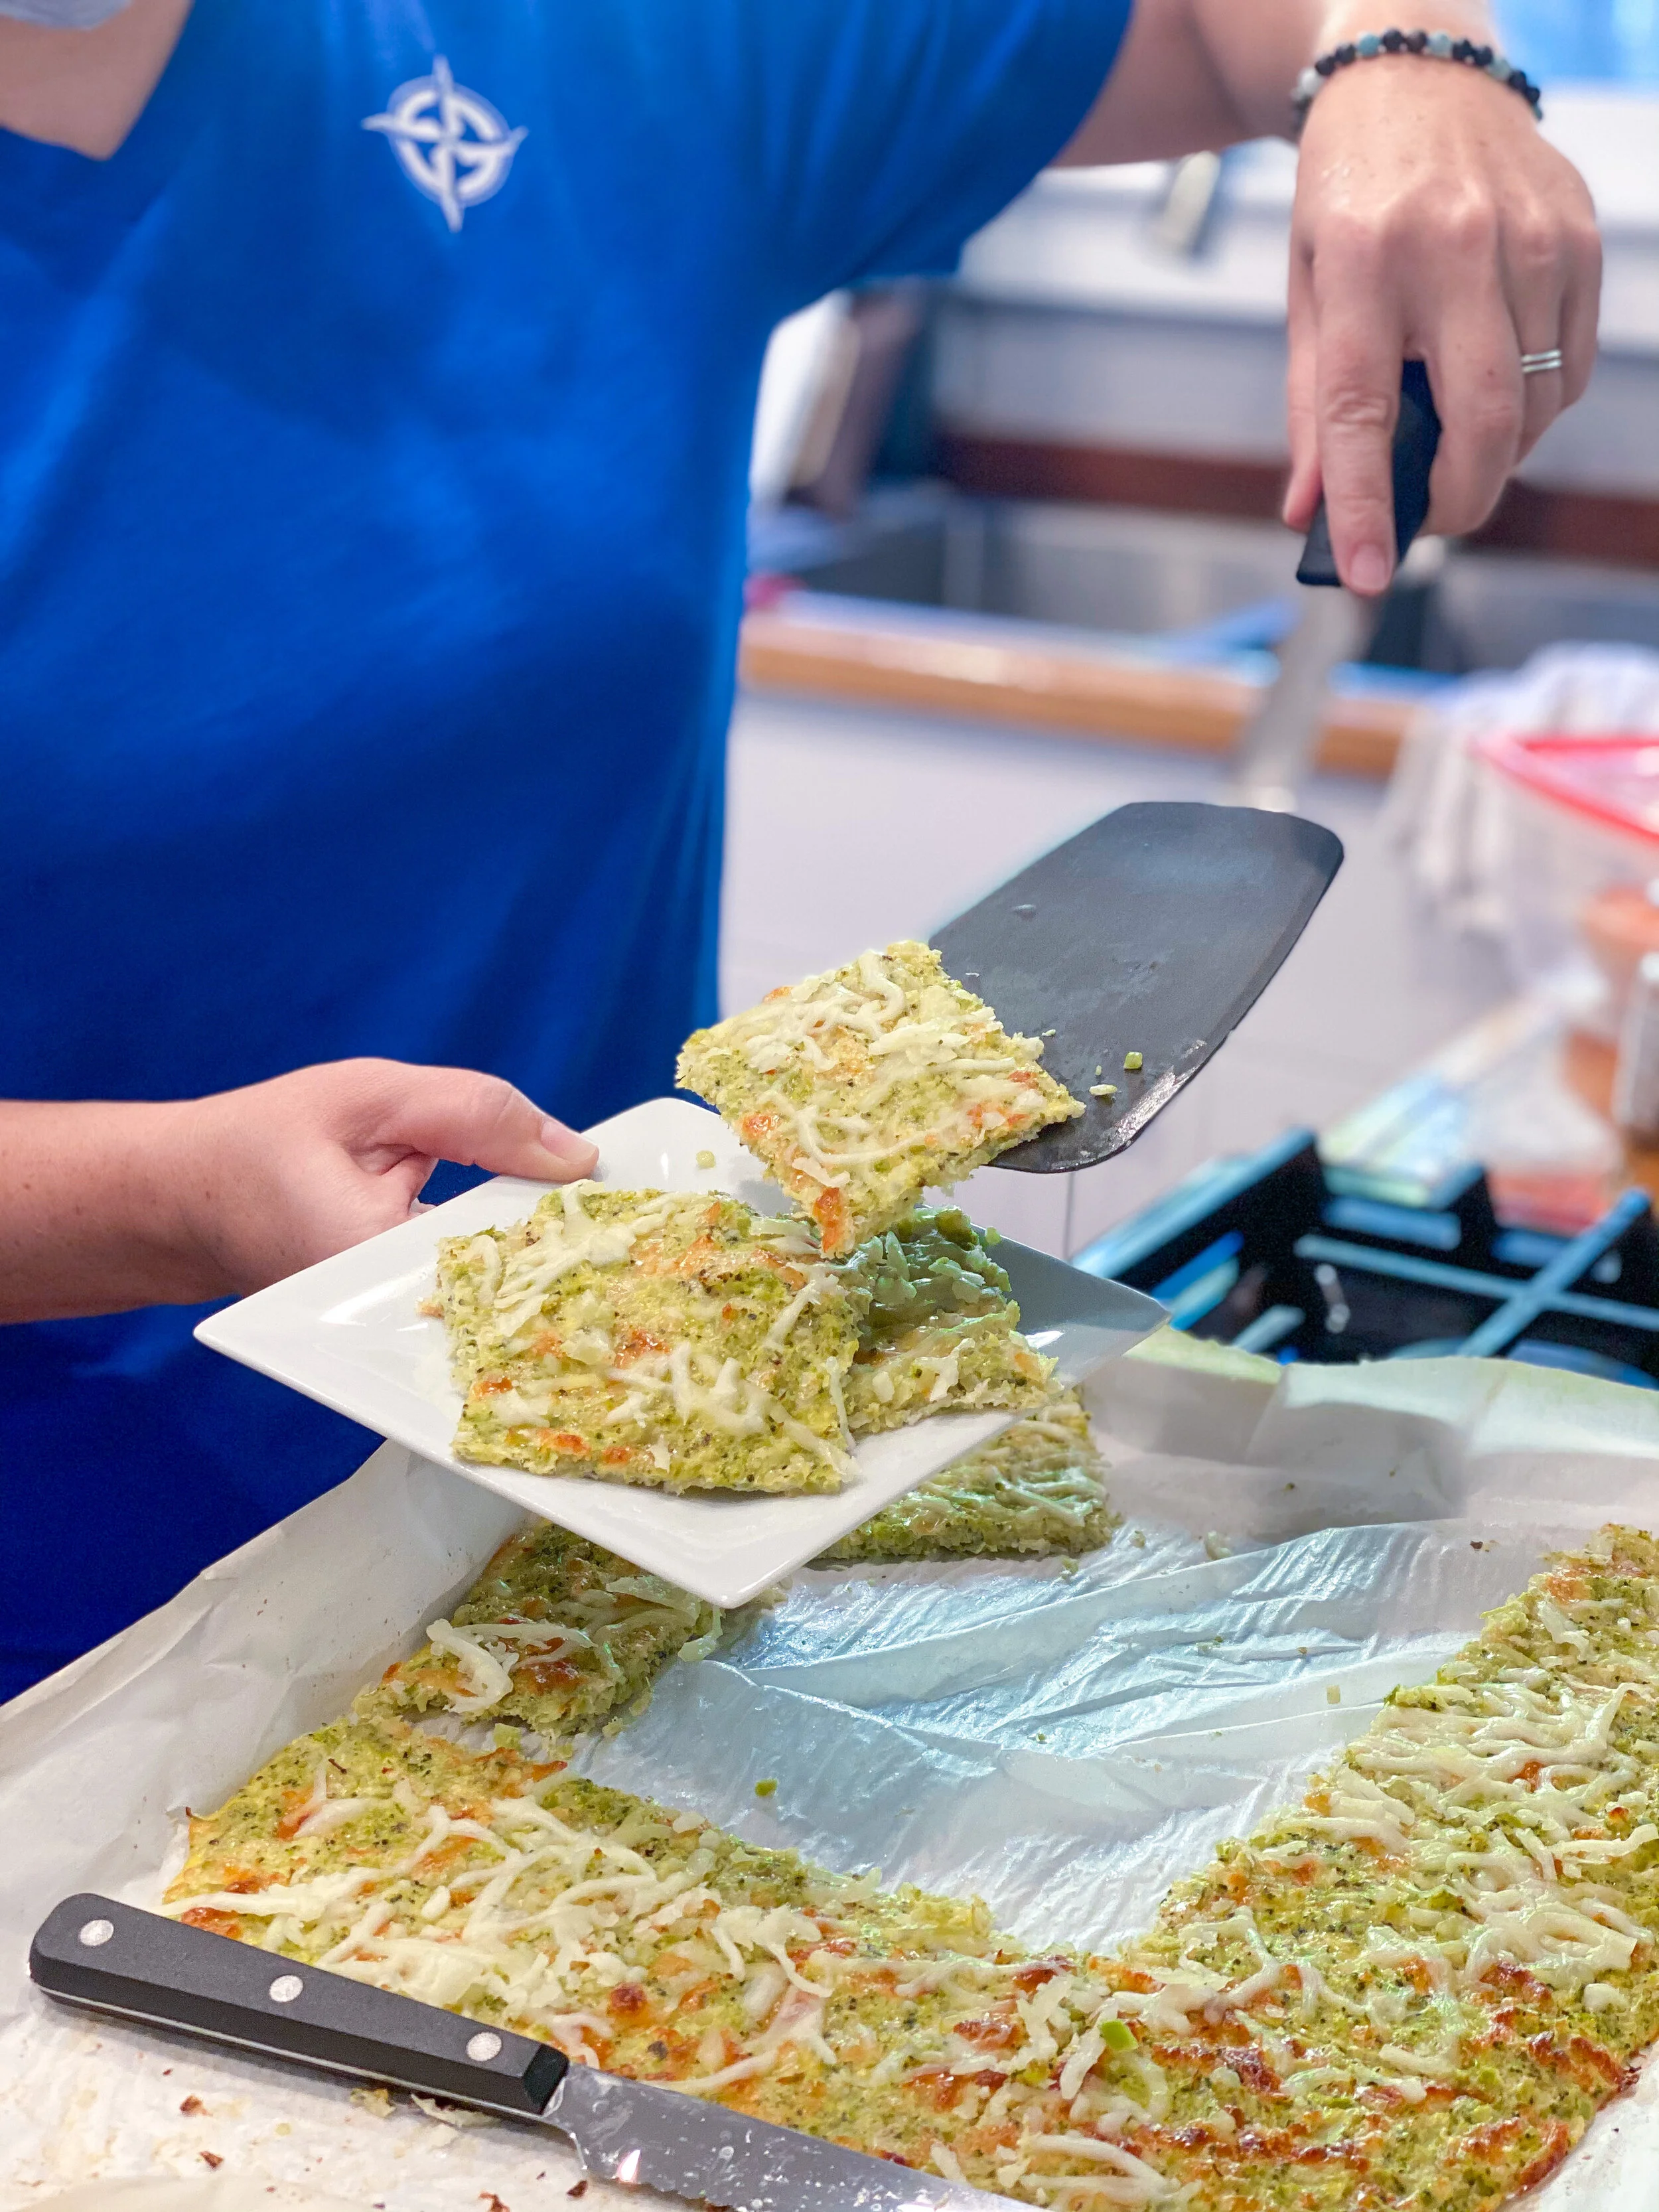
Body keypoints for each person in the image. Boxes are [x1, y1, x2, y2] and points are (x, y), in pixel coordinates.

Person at [0, 0, 1599, 1699]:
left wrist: (1404, 59)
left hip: (622, 1535)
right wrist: (171, 1200)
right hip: (71, 1616)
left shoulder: (584, 51)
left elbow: (1224, 36)